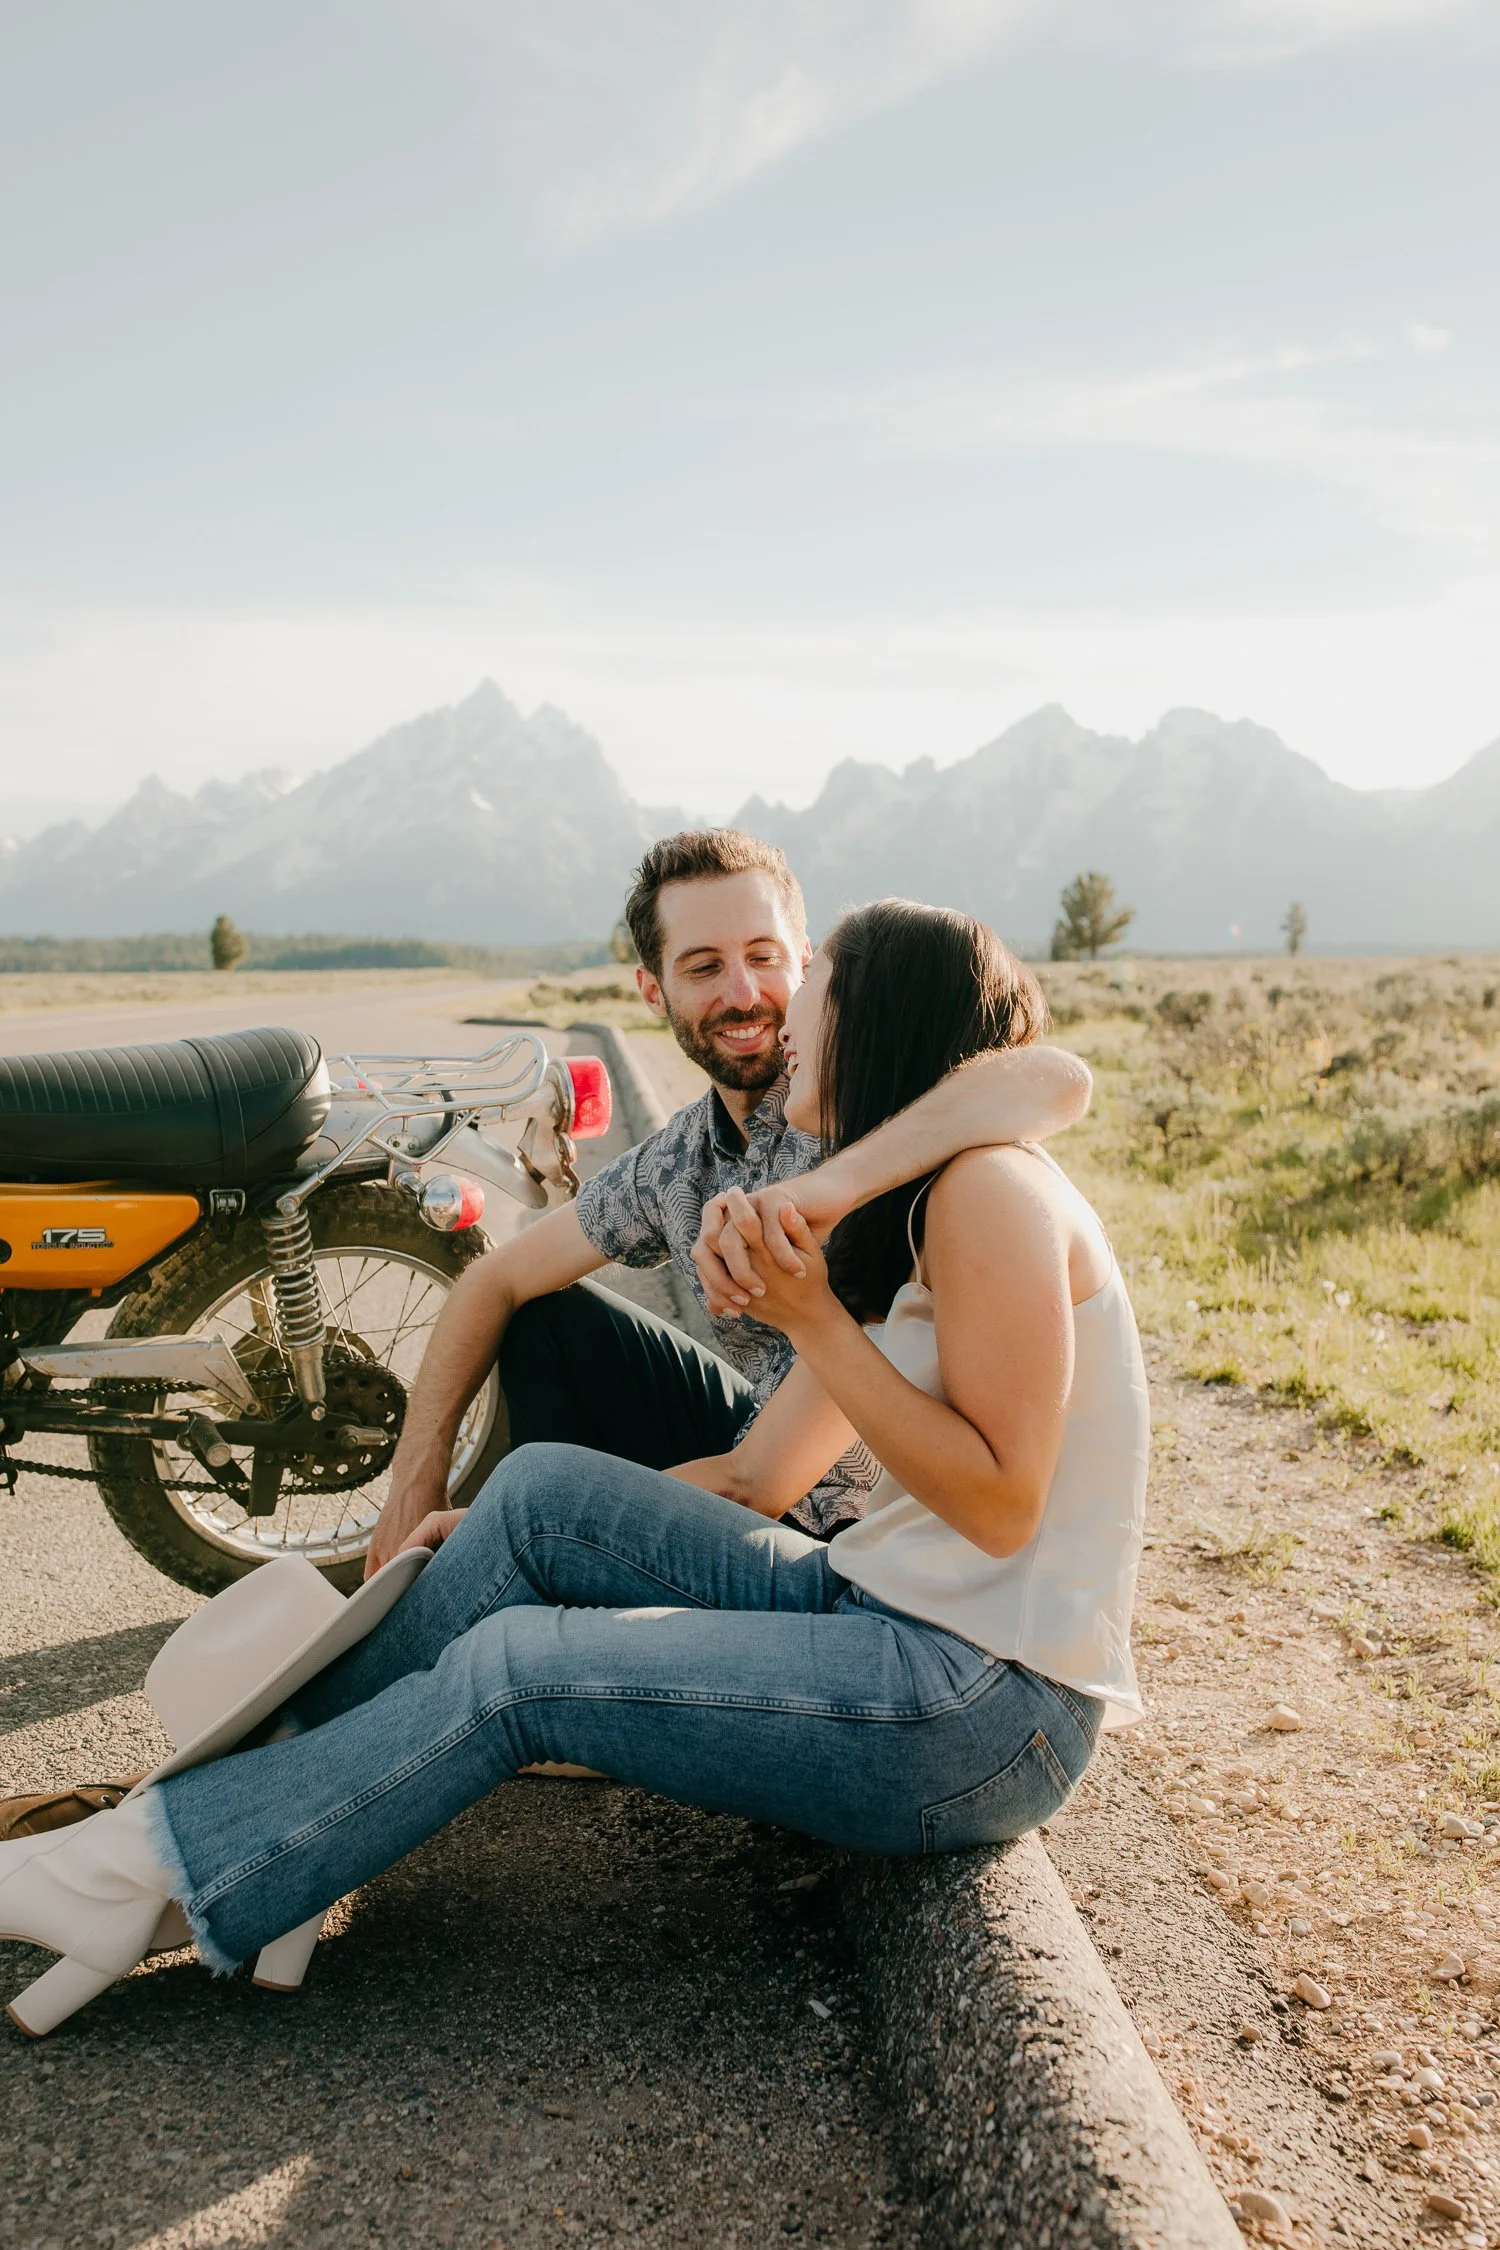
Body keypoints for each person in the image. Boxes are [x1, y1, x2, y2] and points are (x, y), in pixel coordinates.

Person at [0, 899, 1148, 2030]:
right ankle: (264, 1820)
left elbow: (1002, 1507)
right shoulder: (925, 1189)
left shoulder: (989, 1194)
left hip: (981, 1705)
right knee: (541, 1490)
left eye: (816, 979)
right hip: (888, 1610)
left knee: (520, 1672)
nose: (792, 1008)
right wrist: (488, 1521)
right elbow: (760, 1479)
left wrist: (817, 1321)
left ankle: (146, 1869)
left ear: (877, 1015)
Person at [367, 828, 1091, 1569]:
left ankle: (548, 1569)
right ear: (655, 990)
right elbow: (495, 1276)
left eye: (764, 957)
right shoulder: (678, 1159)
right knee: (542, 1317)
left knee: (535, 1519)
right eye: (705, 966)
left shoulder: (880, 1104)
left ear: (806, 963)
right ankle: (551, 1574)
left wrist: (837, 1183)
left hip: (852, 1529)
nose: (743, 994)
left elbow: (1056, 1077)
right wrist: (413, 1483)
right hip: (763, 1450)